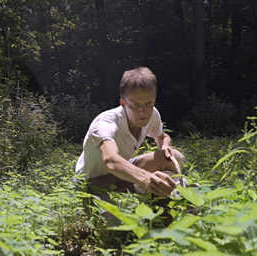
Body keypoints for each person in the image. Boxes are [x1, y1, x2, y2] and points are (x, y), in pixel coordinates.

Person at [75, 67, 185, 200]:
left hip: (121, 174)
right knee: (112, 220)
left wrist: (165, 146)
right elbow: (110, 160)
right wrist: (145, 178)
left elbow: (162, 137)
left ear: (154, 99)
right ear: (123, 103)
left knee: (173, 157)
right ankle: (143, 187)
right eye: (135, 105)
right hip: (93, 181)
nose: (142, 111)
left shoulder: (152, 114)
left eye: (148, 104)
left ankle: (161, 212)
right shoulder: (105, 122)